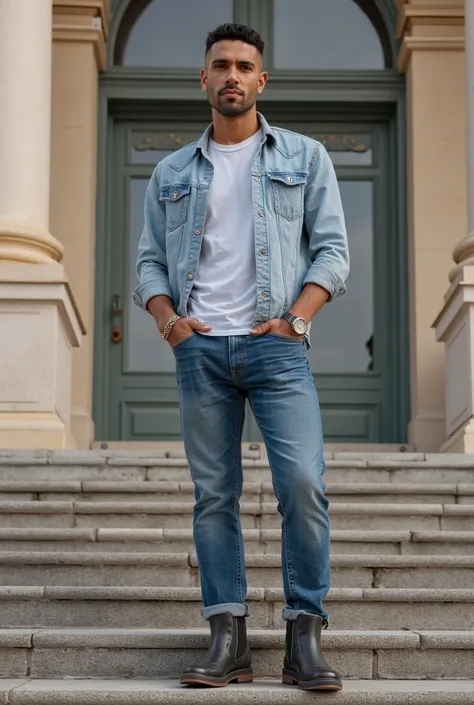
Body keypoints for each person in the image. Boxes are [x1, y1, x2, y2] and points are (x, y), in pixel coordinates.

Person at [134, 23, 349, 692]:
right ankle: (226, 635)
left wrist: (297, 318)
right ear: (204, 79)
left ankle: (303, 633)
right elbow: (147, 261)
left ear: (262, 80)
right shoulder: (171, 171)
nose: (232, 74)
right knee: (214, 496)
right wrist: (171, 323)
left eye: (244, 65)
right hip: (202, 352)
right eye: (220, 65)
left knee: (302, 487)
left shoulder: (306, 157)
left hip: (276, 350)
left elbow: (334, 252)